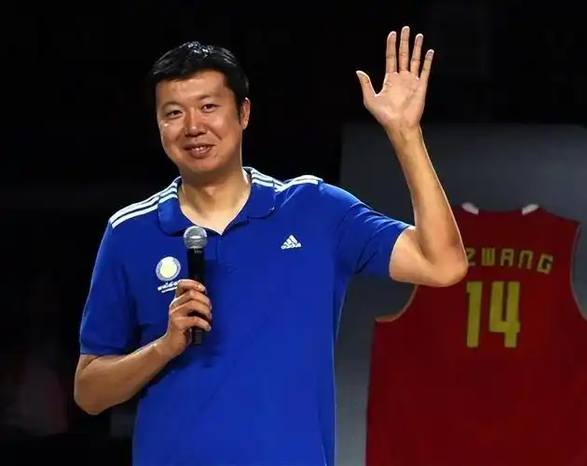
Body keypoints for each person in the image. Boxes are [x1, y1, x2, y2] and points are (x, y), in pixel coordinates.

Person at [74, 26, 468, 465]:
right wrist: (164, 347)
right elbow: (89, 392)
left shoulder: (313, 209)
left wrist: (405, 133)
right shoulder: (130, 232)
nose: (193, 126)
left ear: (243, 113)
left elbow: (442, 264)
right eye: (173, 113)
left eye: (208, 107)